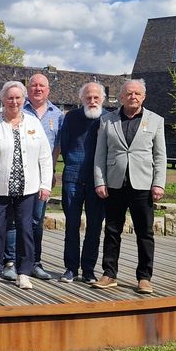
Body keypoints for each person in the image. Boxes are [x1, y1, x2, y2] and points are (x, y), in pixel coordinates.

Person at [0, 81, 53, 290]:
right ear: (3, 100)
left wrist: (46, 185)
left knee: (26, 230)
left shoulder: (34, 124)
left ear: (24, 100)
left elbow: (45, 156)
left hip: (28, 189)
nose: (14, 101)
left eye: (18, 98)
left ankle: (24, 272)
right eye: (10, 98)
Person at [92, 79, 166, 294]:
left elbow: (160, 156)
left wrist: (158, 184)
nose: (133, 97)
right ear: (121, 97)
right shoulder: (107, 121)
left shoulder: (156, 121)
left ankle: (144, 277)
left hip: (143, 185)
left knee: (145, 232)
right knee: (112, 230)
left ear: (143, 97)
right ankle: (109, 274)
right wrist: (100, 181)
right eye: (128, 93)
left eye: (137, 94)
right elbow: (100, 155)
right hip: (115, 184)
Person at [3, 73, 63, 281]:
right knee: (12, 220)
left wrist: (51, 173)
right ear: (28, 89)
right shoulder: (19, 108)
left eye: (42, 86)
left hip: (41, 177)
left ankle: (34, 261)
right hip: (17, 174)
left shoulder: (57, 114)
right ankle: (10, 261)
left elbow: (56, 147)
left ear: (48, 90)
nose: (38, 89)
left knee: (36, 220)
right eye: (34, 85)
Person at [58, 82, 108, 284]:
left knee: (95, 227)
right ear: (82, 99)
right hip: (73, 177)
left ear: (103, 99)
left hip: (98, 181)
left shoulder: (108, 119)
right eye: (88, 97)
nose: (92, 101)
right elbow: (65, 144)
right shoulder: (71, 117)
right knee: (71, 225)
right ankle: (71, 268)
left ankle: (88, 269)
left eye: (96, 97)